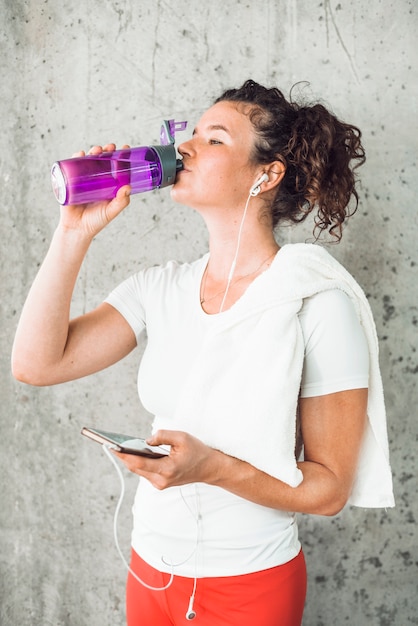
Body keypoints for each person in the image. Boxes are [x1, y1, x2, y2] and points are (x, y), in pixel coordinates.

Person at [12, 79, 394, 626]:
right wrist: (73, 234)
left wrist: (211, 468)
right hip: (150, 570)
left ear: (267, 174)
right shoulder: (158, 288)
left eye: (213, 139)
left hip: (251, 583)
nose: (184, 148)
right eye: (189, 134)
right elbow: (35, 365)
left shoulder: (317, 302)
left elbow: (329, 490)